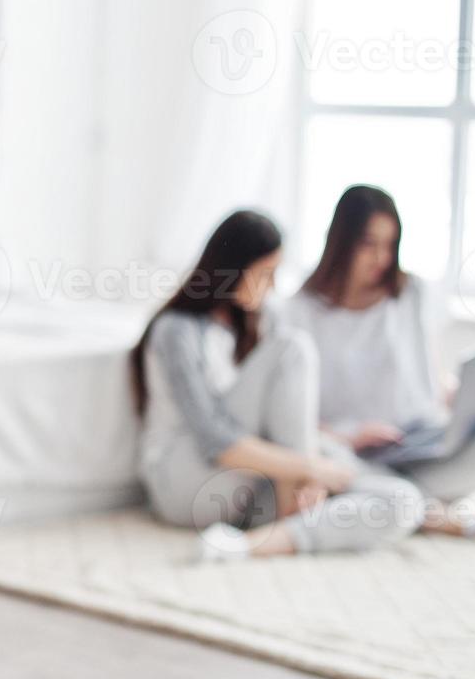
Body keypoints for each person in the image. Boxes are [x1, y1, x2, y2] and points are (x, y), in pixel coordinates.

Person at [131, 209, 424, 559]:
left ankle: (248, 545)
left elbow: (284, 419)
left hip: (251, 481)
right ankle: (296, 503)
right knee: (294, 349)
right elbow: (217, 440)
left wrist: (329, 451)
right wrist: (309, 468)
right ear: (233, 268)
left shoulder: (258, 320)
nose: (272, 286)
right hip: (186, 480)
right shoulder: (177, 330)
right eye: (265, 274)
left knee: (403, 500)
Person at [288, 184, 475, 536]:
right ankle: (424, 511)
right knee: (329, 462)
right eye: (369, 245)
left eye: (390, 245)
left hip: (420, 439)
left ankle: (399, 505)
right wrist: (349, 437)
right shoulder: (301, 310)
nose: (382, 259)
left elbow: (435, 381)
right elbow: (291, 414)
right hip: (353, 451)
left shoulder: (411, 294)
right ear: (341, 242)